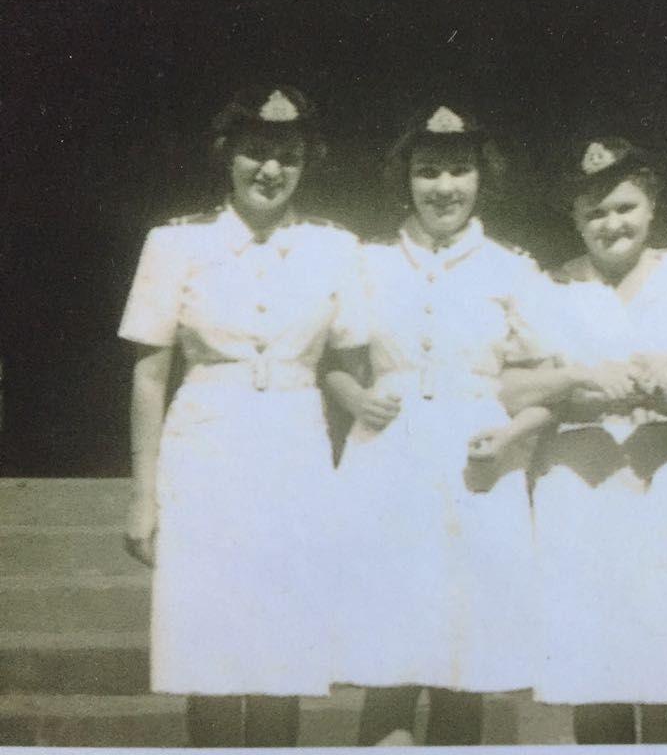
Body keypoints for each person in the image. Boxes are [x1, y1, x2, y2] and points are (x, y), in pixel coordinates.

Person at [119, 85, 365, 747]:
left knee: (284, 649)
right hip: (205, 453)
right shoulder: (175, 244)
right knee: (210, 648)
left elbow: (350, 366)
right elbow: (149, 375)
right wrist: (143, 495)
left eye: (287, 157)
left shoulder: (335, 249)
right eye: (256, 153)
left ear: (305, 162)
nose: (270, 171)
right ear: (228, 156)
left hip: (295, 452)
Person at [326, 104, 548, 747]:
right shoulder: (367, 262)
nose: (444, 187)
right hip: (387, 466)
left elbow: (547, 381)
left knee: (460, 658)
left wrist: (510, 435)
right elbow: (332, 361)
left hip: (472, 471)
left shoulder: (511, 268)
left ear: (482, 178)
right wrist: (353, 397)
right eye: (428, 172)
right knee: (387, 655)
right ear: (406, 179)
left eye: (459, 170)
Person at [499, 137, 667, 744]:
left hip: (664, 481)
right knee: (597, 675)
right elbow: (512, 386)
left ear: (651, 208)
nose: (610, 224)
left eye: (624, 207)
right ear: (574, 218)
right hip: (578, 489)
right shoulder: (552, 286)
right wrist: (577, 382)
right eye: (593, 212)